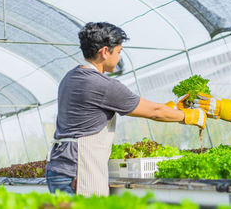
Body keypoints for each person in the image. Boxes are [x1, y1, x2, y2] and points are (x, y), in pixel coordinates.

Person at [45, 22, 206, 197]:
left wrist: (171, 109)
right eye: (119, 52)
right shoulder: (102, 85)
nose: (120, 58)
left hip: (59, 169)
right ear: (105, 51)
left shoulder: (71, 77)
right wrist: (190, 116)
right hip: (78, 174)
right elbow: (155, 112)